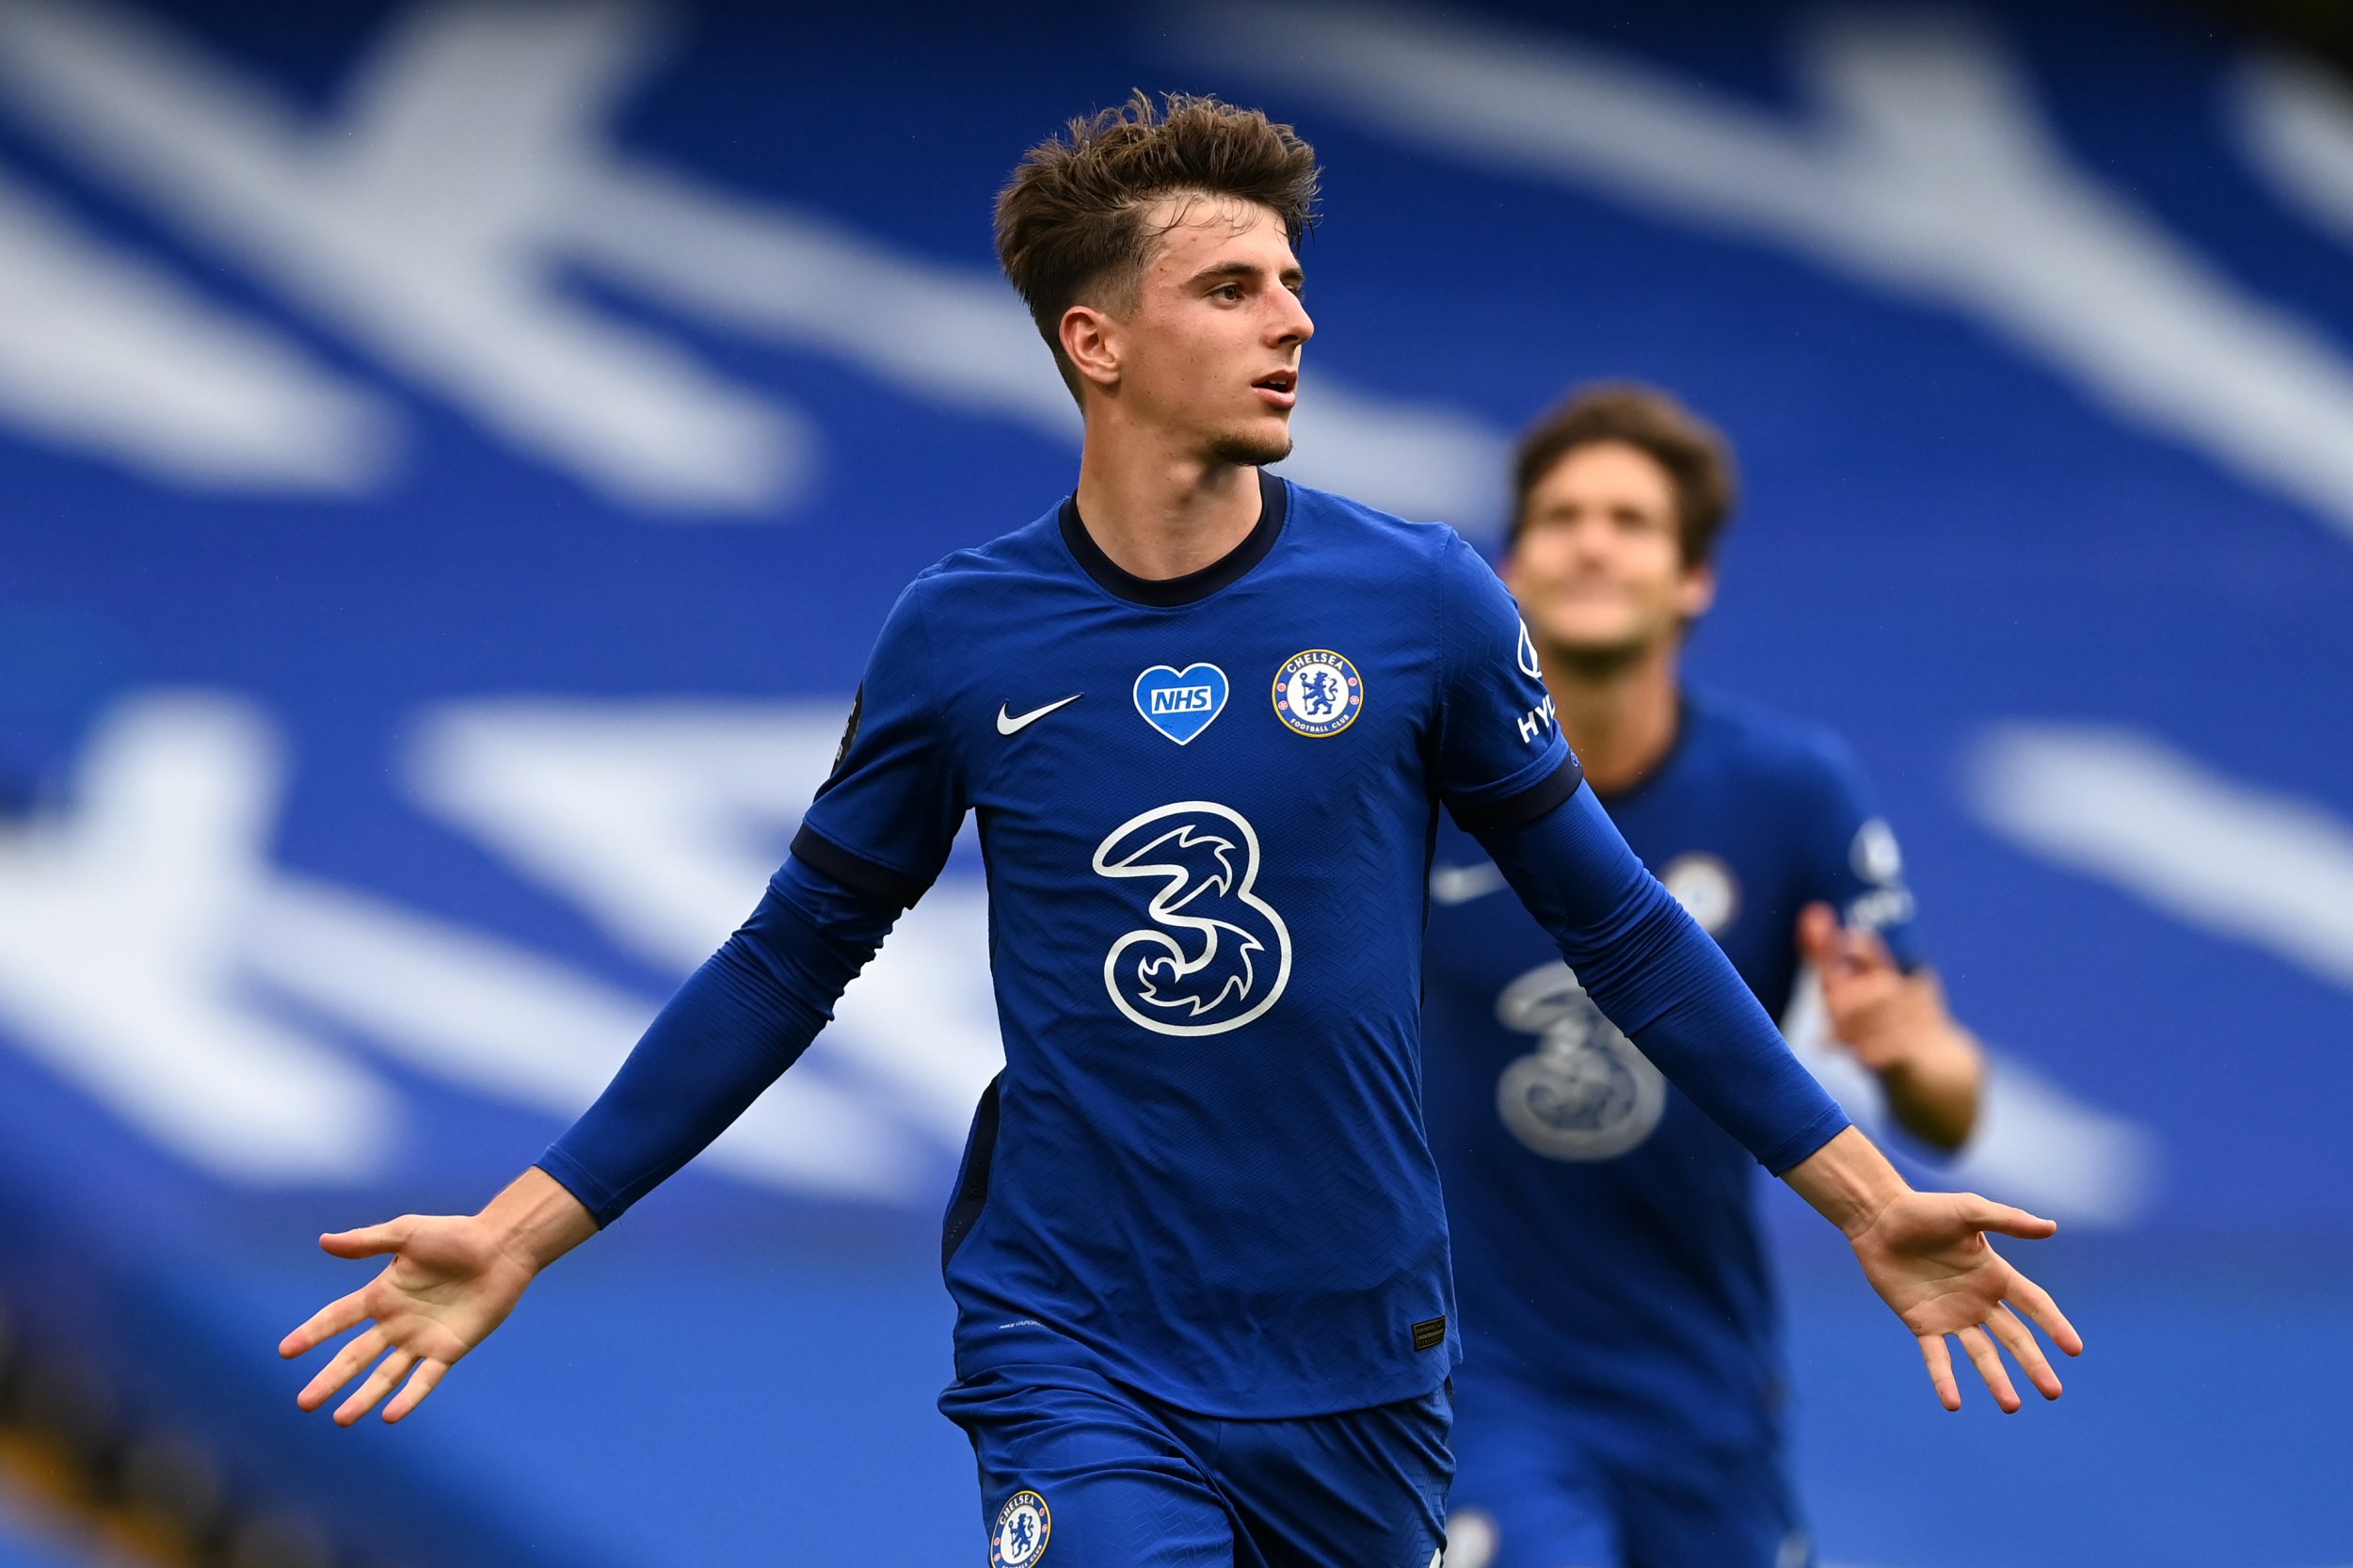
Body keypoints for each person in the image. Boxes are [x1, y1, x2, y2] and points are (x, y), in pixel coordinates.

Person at [279, 97, 2075, 1568]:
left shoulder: (1421, 604)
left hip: (1365, 1354)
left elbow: (1619, 931)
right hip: (1081, 1335)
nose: (1293, 319)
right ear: (1099, 341)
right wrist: (526, 1225)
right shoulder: (962, 639)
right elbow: (787, 961)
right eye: (1232, 287)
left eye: (1293, 282)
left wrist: (1865, 1194)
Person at [1425, 385, 1995, 1568]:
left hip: (1701, 1386)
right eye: (1560, 516)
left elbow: (1950, 1098)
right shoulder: (1410, 789)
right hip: (1474, 1379)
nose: (1590, 539)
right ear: (1507, 569)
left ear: (1693, 579)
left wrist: (1901, 1051)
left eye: (1630, 520)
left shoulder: (1790, 791)